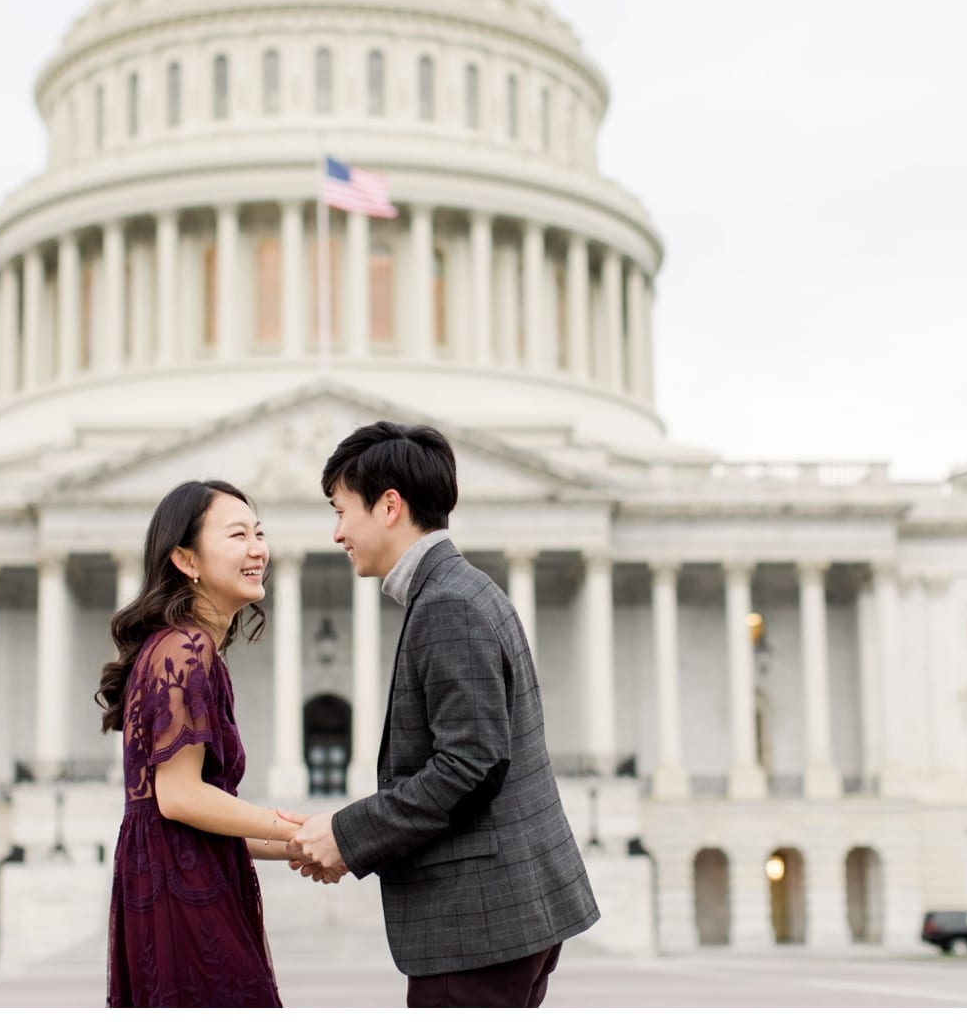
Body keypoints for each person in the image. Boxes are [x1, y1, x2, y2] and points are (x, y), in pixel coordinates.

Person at [283, 421, 600, 1007]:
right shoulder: (462, 589)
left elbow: (469, 765)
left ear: (389, 506)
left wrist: (350, 835)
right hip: (501, 915)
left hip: (477, 922)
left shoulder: (447, 605)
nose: (335, 533)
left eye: (341, 510)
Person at [97, 479, 328, 1008]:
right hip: (186, 896)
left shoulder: (177, 647)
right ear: (186, 559)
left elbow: (185, 824)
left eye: (260, 533)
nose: (258, 549)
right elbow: (179, 799)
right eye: (237, 535)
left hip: (170, 876)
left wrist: (301, 844)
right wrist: (297, 824)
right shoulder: (186, 646)